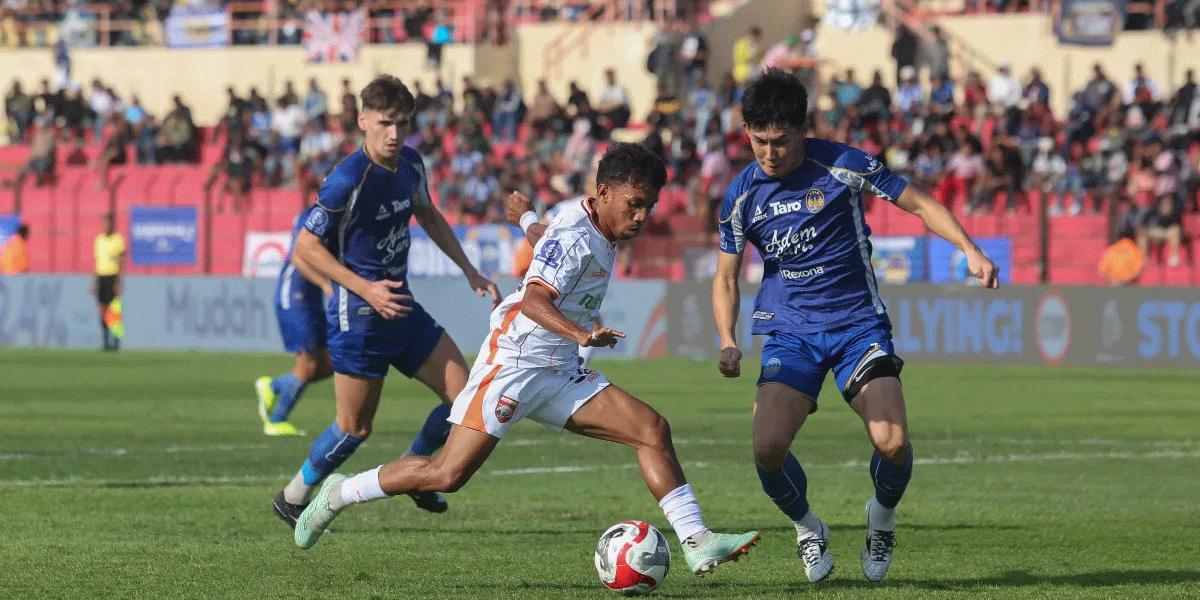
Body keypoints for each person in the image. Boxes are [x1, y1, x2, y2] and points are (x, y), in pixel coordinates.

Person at [291, 144, 761, 578]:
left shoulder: (591, 224)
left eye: (649, 206)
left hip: (557, 370)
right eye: (633, 204)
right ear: (602, 193)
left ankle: (697, 541)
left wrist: (527, 219)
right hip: (514, 364)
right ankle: (338, 492)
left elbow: (546, 237)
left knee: (651, 430)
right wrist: (583, 334)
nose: (641, 216)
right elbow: (533, 300)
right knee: (446, 474)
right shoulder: (580, 236)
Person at [711, 69, 999, 584]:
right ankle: (807, 526)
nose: (770, 153)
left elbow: (919, 203)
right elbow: (726, 277)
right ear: (746, 132)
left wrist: (970, 250)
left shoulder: (842, 164)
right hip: (790, 331)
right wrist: (728, 340)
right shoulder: (740, 195)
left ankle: (881, 516)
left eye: (780, 141)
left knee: (891, 441)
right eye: (759, 142)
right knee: (766, 449)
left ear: (803, 130)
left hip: (856, 326)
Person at [272, 75, 502, 528]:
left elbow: (429, 214)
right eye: (385, 123)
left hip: (402, 306)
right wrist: (363, 287)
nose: (394, 134)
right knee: (353, 428)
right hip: (359, 315)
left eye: (402, 124)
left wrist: (469, 269)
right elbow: (304, 247)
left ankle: (414, 471)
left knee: (468, 398)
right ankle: (293, 496)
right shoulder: (346, 180)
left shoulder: (412, 164)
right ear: (363, 121)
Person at [93, 213, 125, 352]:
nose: (105, 226)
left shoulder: (118, 239)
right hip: (101, 277)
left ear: (112, 225)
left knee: (114, 310)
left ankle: (116, 340)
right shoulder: (98, 240)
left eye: (108, 223)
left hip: (113, 277)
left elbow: (122, 260)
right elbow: (96, 261)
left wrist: (119, 280)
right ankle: (105, 341)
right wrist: (94, 282)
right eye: (103, 223)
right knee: (101, 310)